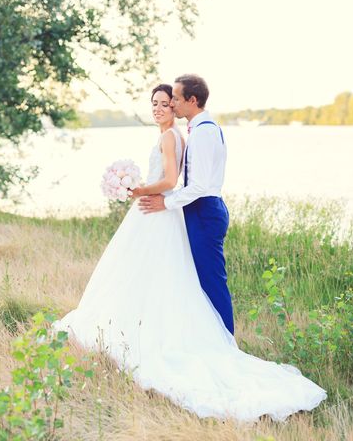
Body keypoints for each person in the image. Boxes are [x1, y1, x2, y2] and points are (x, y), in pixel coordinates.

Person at [53, 82, 326, 421]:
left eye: (168, 102)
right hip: (170, 212)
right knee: (161, 275)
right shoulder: (183, 132)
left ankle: (223, 344)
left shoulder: (179, 135)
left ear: (183, 103)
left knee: (201, 278)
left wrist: (137, 190)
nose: (161, 108)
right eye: (155, 103)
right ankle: (173, 330)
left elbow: (173, 181)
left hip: (175, 210)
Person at [138, 74, 234, 334]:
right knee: (200, 279)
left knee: (212, 280)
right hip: (199, 208)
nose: (173, 105)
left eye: (177, 99)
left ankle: (225, 341)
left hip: (205, 210)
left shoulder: (203, 133)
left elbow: (200, 186)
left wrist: (167, 203)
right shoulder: (200, 129)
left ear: (193, 100)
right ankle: (209, 334)